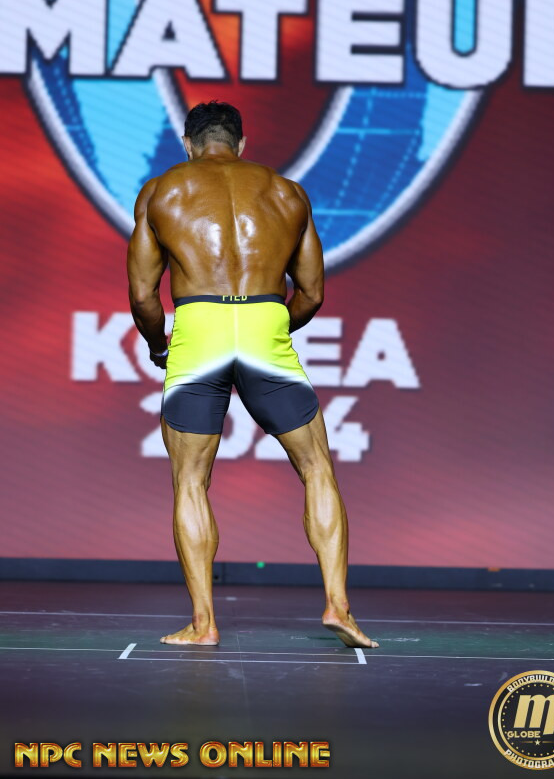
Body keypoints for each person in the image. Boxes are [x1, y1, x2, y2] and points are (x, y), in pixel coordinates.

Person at [127, 101, 378, 649]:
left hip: (199, 328)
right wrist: (269, 325)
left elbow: (144, 295)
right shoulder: (287, 193)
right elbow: (311, 292)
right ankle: (338, 606)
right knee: (317, 468)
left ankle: (204, 624)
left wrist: (158, 346)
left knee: (190, 481)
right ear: (241, 144)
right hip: (266, 321)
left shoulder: (162, 191)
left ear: (189, 144)